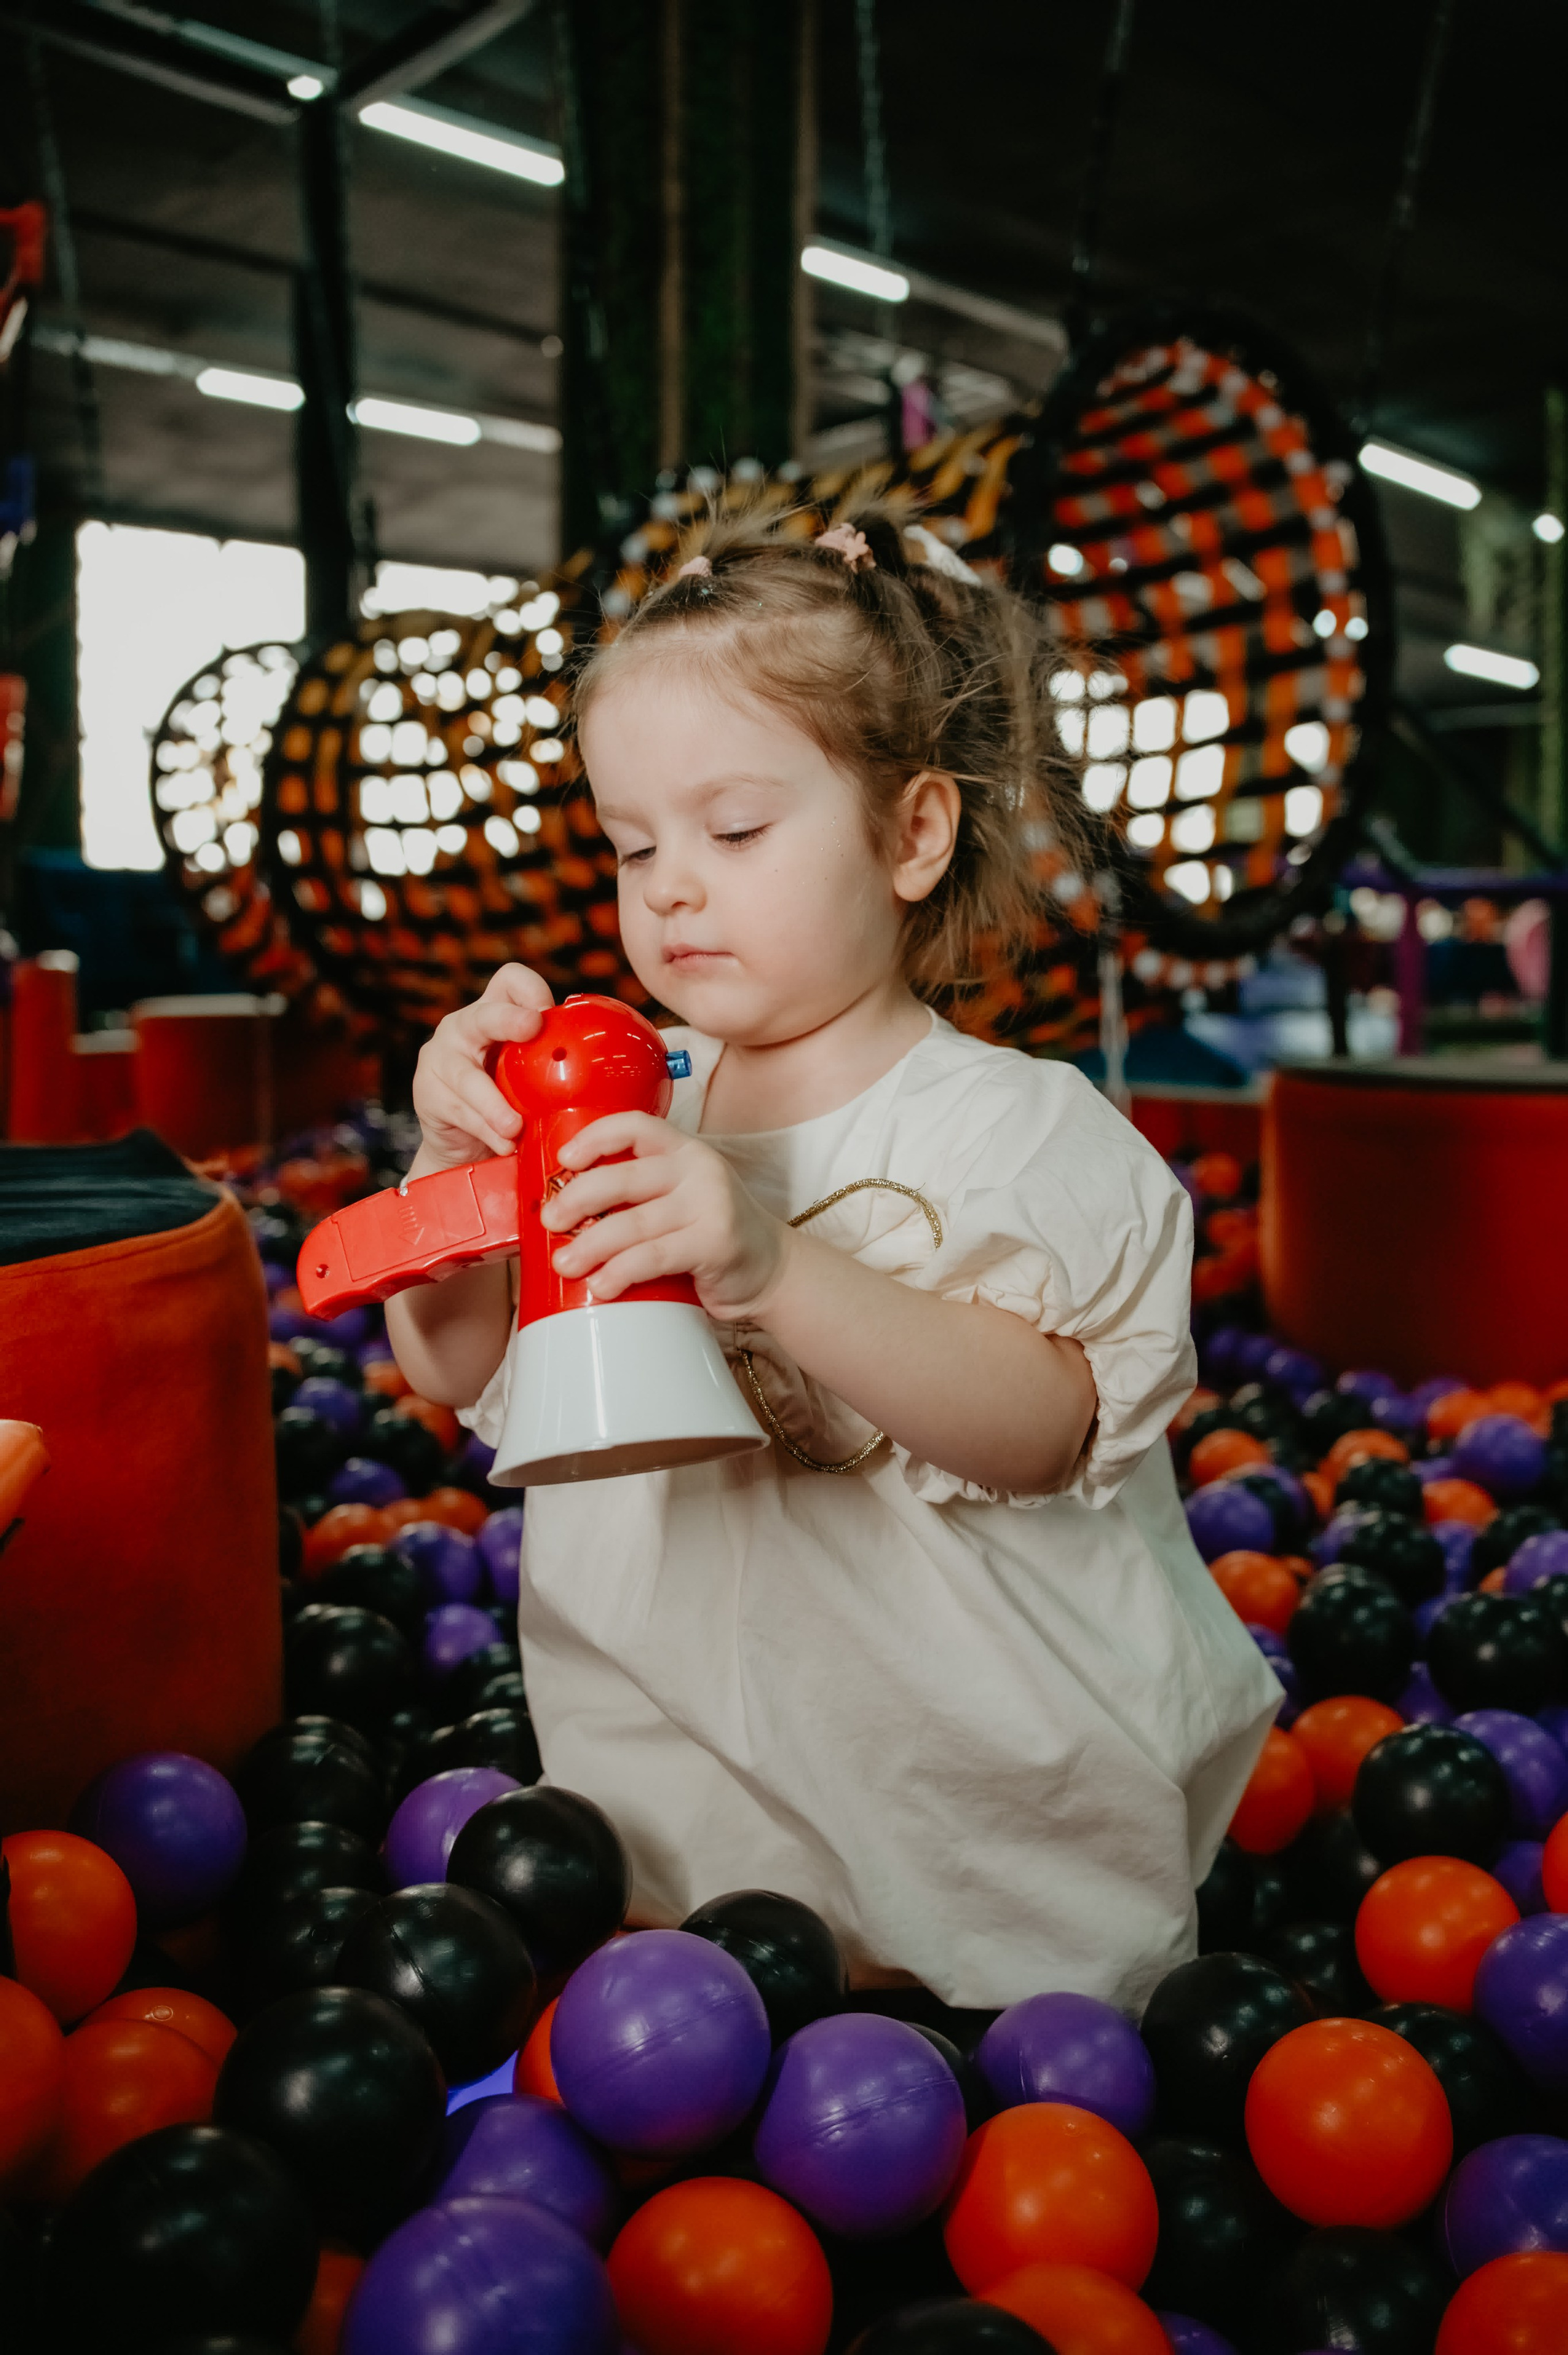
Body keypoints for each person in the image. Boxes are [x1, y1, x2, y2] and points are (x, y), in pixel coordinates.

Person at [386, 503, 1278, 2012]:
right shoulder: (620, 1102)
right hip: (680, 1849)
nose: (668, 884)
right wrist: (460, 1163)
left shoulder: (1012, 1129)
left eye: (733, 830)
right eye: (630, 843)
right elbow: (458, 1362)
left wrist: (771, 1263)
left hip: (974, 1846)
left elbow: (1045, 1425)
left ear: (911, 832)